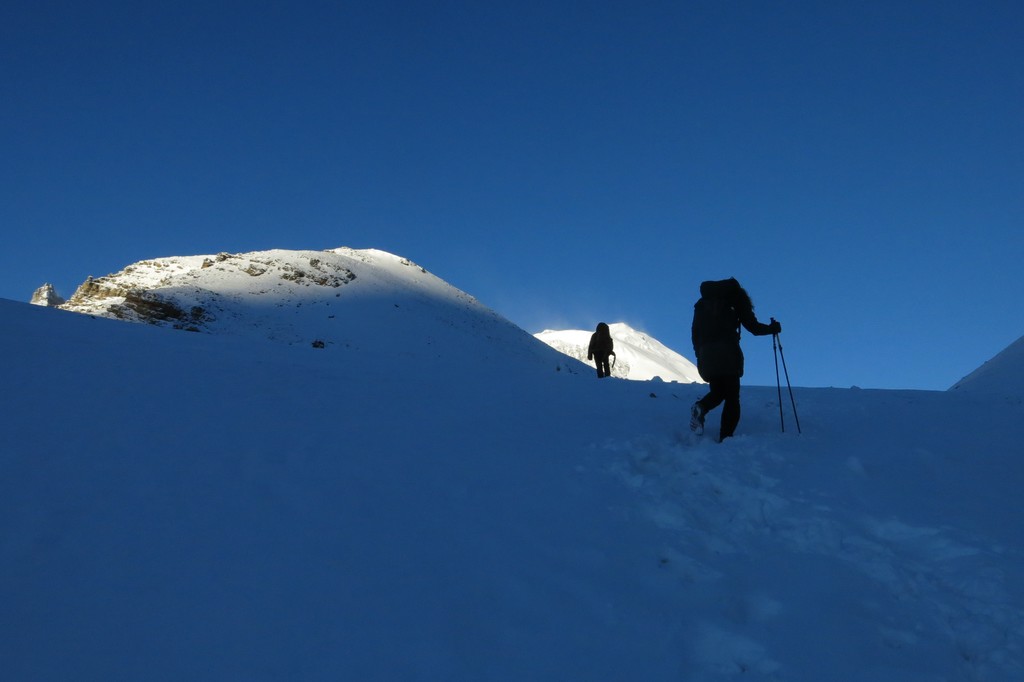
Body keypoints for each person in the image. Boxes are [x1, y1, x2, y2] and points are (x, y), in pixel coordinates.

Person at [690, 278, 781, 441]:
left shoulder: (702, 303)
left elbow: (695, 332)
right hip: (727, 352)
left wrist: (699, 354)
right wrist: (772, 329)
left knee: (718, 392)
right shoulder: (736, 297)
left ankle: (701, 406)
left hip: (706, 355)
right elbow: (752, 326)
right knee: (732, 396)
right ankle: (726, 437)